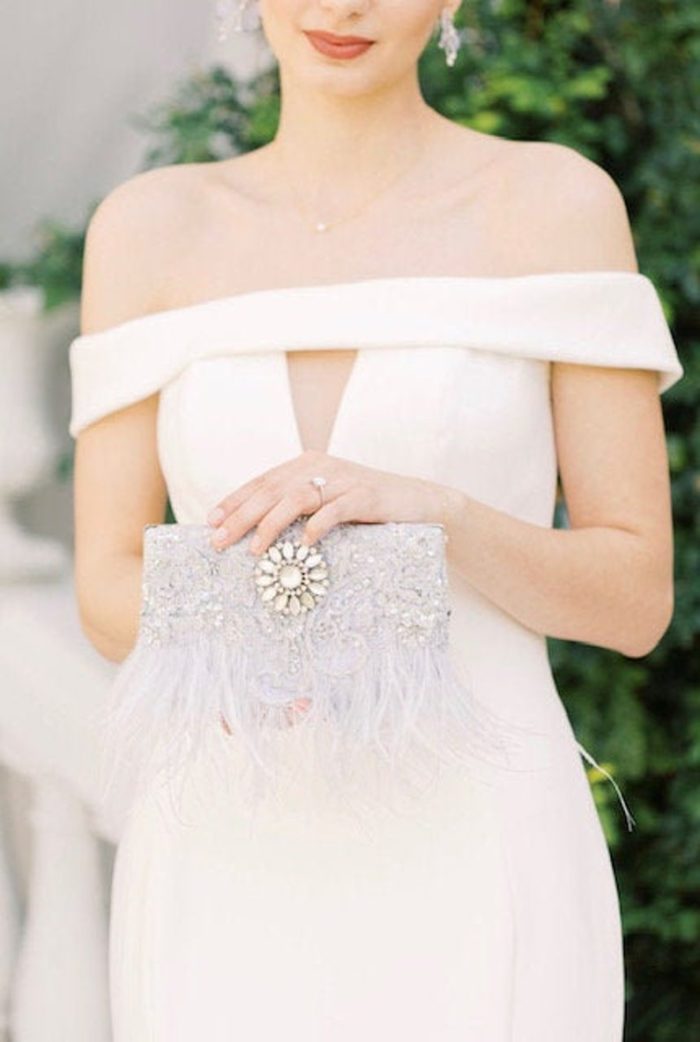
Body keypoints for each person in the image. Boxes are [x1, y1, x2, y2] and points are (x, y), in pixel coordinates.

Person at [67, 1, 684, 1039]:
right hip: (226, 843)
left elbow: (633, 599)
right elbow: (102, 588)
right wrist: (260, 631)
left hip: (481, 836)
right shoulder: (146, 228)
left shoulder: (551, 203)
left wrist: (430, 510)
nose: (342, 7)